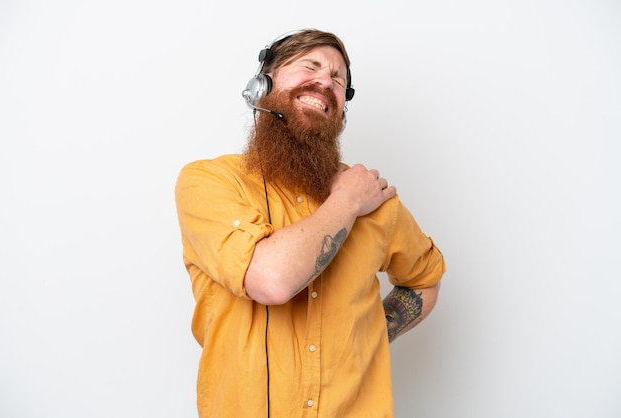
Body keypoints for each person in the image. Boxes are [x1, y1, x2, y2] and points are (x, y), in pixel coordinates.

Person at [175, 28, 446, 418]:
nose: (326, 81)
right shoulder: (210, 182)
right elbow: (272, 280)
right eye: (311, 66)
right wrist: (348, 201)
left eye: (339, 80)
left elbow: (425, 277)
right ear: (262, 82)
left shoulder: (377, 202)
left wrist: (374, 332)